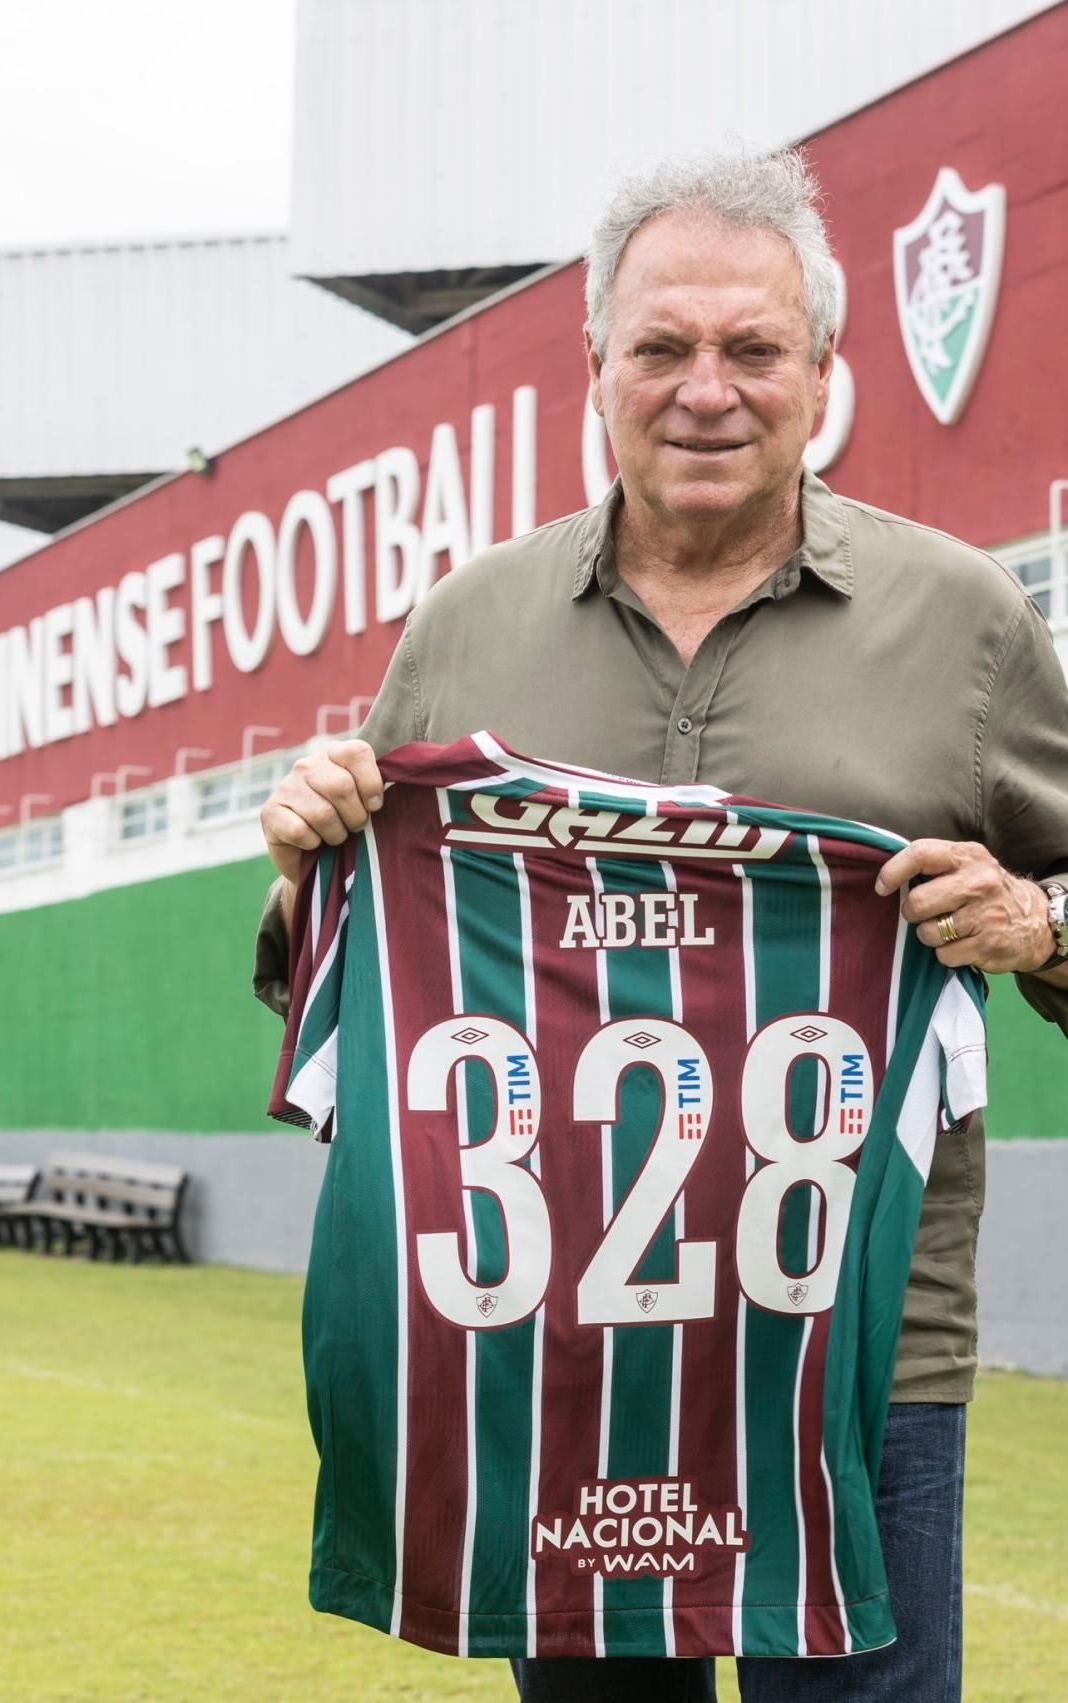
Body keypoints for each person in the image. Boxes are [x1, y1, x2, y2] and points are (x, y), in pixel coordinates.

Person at [254, 149, 1068, 1702]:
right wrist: (308, 864)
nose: (710, 389)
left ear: (824, 372)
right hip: (560, 1343)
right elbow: (345, 970)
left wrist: (1038, 919)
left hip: (861, 1353)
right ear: (598, 369)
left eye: (755, 349)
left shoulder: (963, 622)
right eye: (663, 347)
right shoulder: (465, 626)